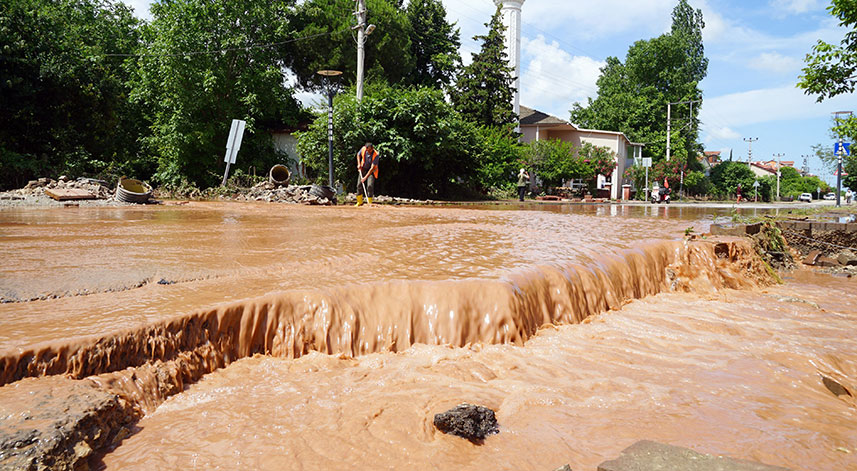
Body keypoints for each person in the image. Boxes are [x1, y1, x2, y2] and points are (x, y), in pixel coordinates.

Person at [355, 142, 380, 207]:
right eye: (367, 150)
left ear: (372, 149)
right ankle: (359, 202)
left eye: (369, 150)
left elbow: (372, 168)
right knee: (359, 185)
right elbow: (358, 154)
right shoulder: (363, 149)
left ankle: (369, 202)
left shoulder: (376, 155)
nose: (367, 151)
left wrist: (365, 178)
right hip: (363, 168)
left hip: (371, 171)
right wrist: (359, 164)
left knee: (370, 186)